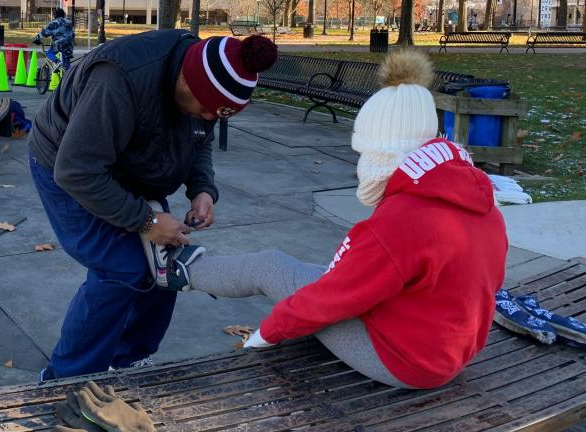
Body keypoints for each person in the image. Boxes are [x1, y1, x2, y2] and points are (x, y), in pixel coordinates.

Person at [157, 50, 508, 389]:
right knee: (315, 273)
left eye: (365, 153)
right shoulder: (481, 201)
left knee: (271, 267)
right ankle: (188, 268)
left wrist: (267, 333)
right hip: (450, 349)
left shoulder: (404, 221)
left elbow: (332, 299)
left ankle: (177, 269)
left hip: (406, 360)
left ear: (382, 153)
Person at [29, 31, 278, 381]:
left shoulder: (199, 85)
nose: (208, 118)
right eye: (206, 109)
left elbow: (199, 139)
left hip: (128, 166)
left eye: (216, 116)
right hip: (66, 166)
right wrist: (146, 220)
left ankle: (127, 358)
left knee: (164, 264)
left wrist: (202, 188)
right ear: (186, 80)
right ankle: (66, 379)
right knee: (121, 268)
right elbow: (77, 171)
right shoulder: (117, 79)